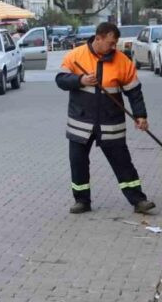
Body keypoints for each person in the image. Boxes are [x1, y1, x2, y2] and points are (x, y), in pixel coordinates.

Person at [55, 22, 156, 214]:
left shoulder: (122, 61)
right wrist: (80, 80)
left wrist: (140, 115)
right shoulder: (75, 56)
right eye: (111, 43)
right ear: (98, 38)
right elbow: (60, 80)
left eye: (115, 43)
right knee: (78, 163)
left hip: (111, 123)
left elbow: (134, 92)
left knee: (122, 163)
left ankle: (138, 200)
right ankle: (82, 201)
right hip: (81, 123)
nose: (113, 47)